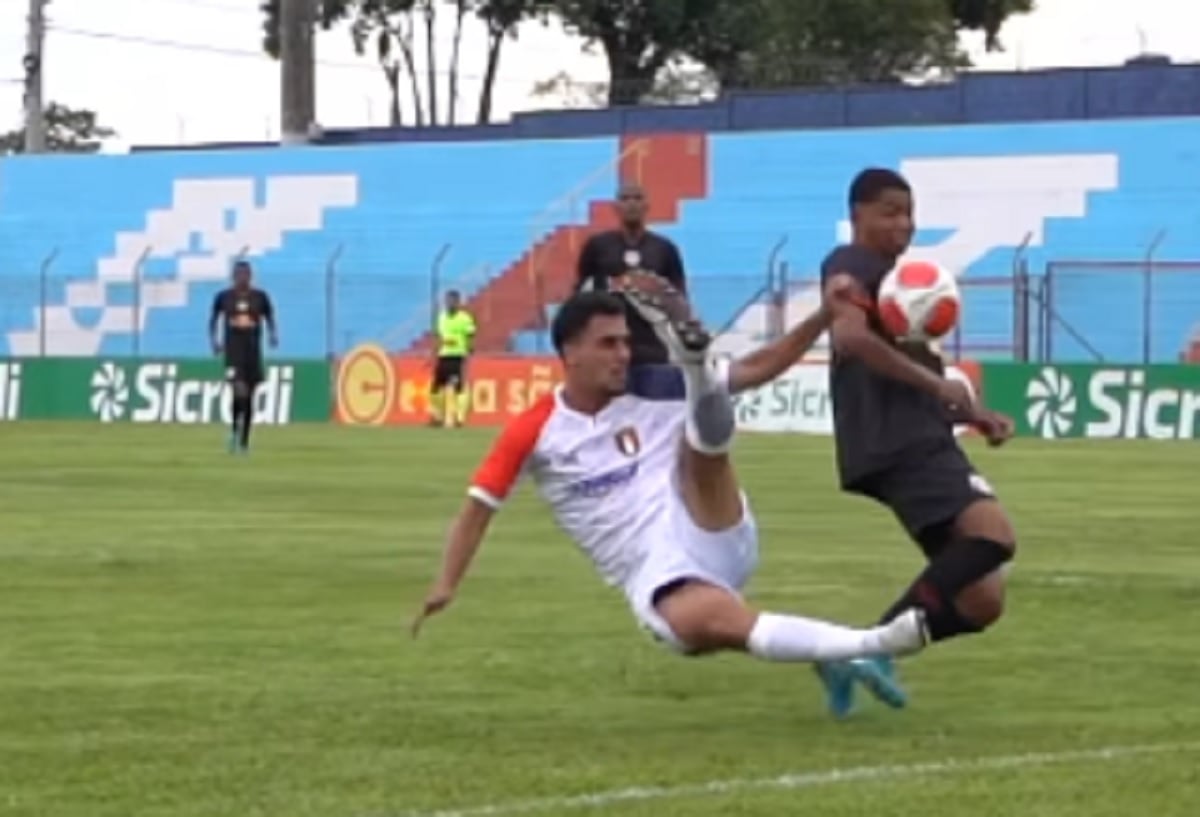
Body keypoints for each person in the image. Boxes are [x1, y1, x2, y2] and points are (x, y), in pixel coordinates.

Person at [412, 282, 930, 671]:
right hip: (655, 573)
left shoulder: (652, 387)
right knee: (700, 625)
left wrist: (825, 311)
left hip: (710, 518)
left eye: (624, 342)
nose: (623, 355)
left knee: (696, 433)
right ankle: (868, 646)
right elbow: (478, 508)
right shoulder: (535, 430)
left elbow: (761, 367)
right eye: (607, 345)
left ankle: (697, 365)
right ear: (569, 354)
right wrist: (445, 584)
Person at [814, 167, 1017, 717]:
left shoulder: (904, 282)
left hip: (913, 433)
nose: (903, 223)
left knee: (981, 600)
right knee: (994, 533)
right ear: (857, 216)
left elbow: (919, 364)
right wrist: (936, 387)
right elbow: (851, 338)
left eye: (908, 212)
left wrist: (974, 414)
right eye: (889, 211)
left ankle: (846, 656)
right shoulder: (851, 266)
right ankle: (871, 649)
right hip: (894, 436)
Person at [575, 181, 687, 366]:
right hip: (609, 345)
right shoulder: (598, 246)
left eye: (637, 198)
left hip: (653, 344)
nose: (631, 204)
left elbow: (679, 297)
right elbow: (581, 293)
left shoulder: (664, 249)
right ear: (615, 207)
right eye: (625, 199)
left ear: (647, 206)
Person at [209, 260, 277, 453]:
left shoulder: (260, 297)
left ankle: (244, 441)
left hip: (253, 354)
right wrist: (214, 342)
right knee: (239, 392)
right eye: (239, 274)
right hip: (233, 354)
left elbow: (270, 316)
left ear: (251, 275)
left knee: (249, 399)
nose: (242, 278)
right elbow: (213, 320)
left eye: (246, 274)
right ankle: (233, 431)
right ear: (233, 276)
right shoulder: (224, 297)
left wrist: (273, 335)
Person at [429, 290, 477, 428]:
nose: (449, 303)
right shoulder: (442, 317)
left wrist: (469, 349)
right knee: (435, 388)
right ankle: (437, 417)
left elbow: (470, 335)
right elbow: (438, 336)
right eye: (448, 300)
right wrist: (434, 353)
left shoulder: (465, 318)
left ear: (458, 302)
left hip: (457, 356)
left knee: (458, 388)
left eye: (452, 300)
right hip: (443, 355)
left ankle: (459, 418)